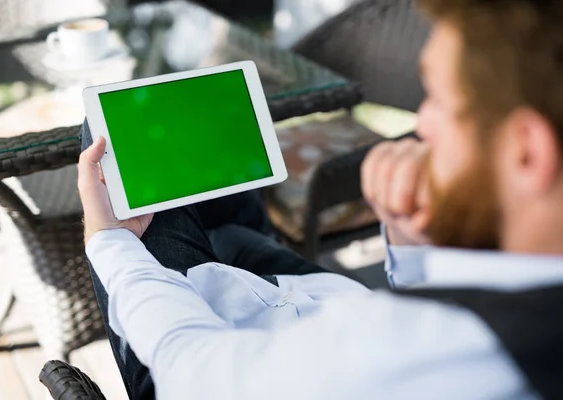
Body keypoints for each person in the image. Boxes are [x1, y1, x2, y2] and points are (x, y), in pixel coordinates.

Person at [77, 0, 563, 398]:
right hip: (328, 302)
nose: (425, 125)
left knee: (107, 139)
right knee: (226, 219)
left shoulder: (421, 354)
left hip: (198, 363)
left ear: (526, 151)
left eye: (437, 98)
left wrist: (112, 244)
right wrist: (415, 245)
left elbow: (194, 373)